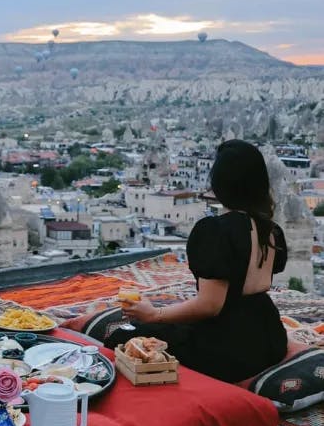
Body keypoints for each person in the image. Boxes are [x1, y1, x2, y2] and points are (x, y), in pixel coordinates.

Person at [106, 140, 288, 383]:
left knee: (123, 337)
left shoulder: (216, 230)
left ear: (221, 184)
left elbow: (210, 306)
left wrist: (154, 314)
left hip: (228, 348)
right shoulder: (272, 231)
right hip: (270, 338)